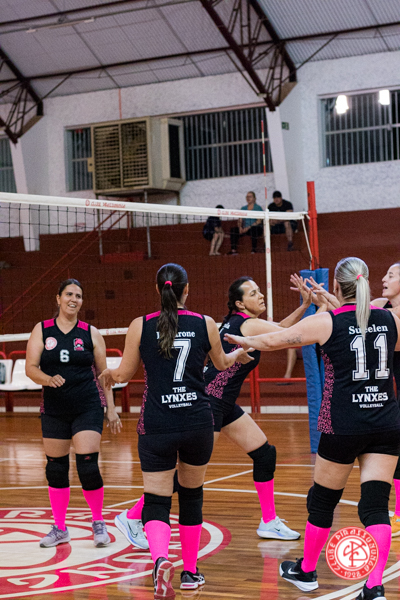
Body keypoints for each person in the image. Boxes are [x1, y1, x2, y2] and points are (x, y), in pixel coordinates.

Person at [225, 257, 400, 600]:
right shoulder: (390, 319)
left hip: (343, 424)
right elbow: (361, 323)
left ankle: (306, 571)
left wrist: (240, 341)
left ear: (336, 286)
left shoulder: (325, 322)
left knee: (322, 501)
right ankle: (374, 586)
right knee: (375, 506)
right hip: (385, 423)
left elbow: (277, 340)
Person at [99, 263, 253, 599]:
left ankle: (159, 561)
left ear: (158, 290)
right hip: (197, 422)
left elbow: (123, 374)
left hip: (157, 424)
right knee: (191, 496)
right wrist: (238, 354)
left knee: (157, 500)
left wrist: (108, 376)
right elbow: (222, 364)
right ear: (187, 290)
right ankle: (191, 573)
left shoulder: (140, 325)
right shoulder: (204, 323)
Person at [203, 273, 312, 541]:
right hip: (209, 403)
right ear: (240, 304)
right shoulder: (247, 324)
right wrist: (318, 313)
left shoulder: (241, 322)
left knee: (265, 455)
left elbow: (280, 328)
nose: (261, 295)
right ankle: (135, 515)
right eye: (253, 293)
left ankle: (269, 521)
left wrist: (305, 305)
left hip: (223, 403)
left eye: (259, 290)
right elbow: (287, 334)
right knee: (189, 472)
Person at [25, 279, 121, 549]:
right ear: (58, 298)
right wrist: (47, 379)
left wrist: (111, 409)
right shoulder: (42, 330)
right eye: (69, 294)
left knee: (87, 466)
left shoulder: (91, 333)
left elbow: (104, 375)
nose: (73, 299)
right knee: (56, 470)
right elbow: (31, 368)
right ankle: (60, 528)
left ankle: (98, 522)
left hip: (87, 406)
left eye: (78, 296)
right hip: (54, 409)